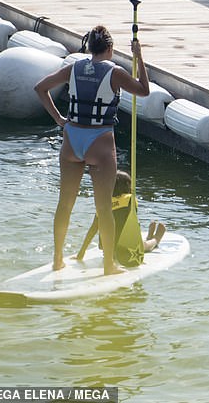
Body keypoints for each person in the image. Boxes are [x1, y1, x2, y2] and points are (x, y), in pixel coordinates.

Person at [34, 25, 151, 275]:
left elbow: (40, 88)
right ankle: (109, 266)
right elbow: (144, 90)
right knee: (104, 209)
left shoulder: (74, 68)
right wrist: (139, 57)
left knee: (64, 204)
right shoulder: (115, 72)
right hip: (99, 141)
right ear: (110, 48)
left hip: (72, 139)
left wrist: (59, 119)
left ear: (89, 48)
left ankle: (57, 260)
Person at [77, 170, 166, 265]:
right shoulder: (130, 199)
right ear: (128, 185)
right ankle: (156, 239)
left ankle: (149, 236)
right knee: (145, 246)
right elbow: (134, 224)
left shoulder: (103, 203)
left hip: (107, 250)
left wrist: (81, 253)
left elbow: (93, 229)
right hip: (127, 247)